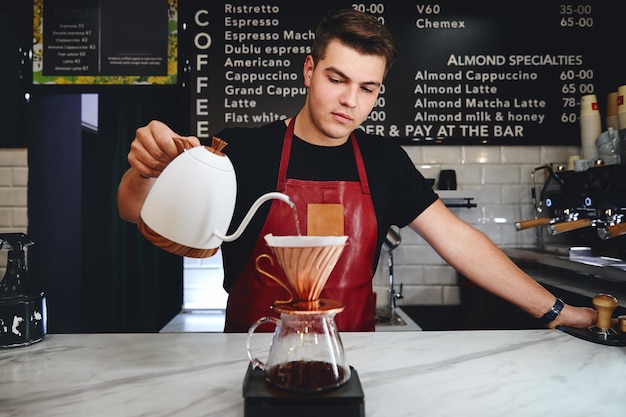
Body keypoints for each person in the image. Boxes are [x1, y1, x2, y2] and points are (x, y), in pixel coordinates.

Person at [117, 8, 597, 332]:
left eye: (367, 88)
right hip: (247, 355)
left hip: (350, 358)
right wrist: (146, 172)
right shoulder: (244, 147)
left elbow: (459, 241)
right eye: (336, 79)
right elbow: (134, 212)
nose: (350, 101)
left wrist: (559, 311)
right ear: (309, 71)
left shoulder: (384, 160)